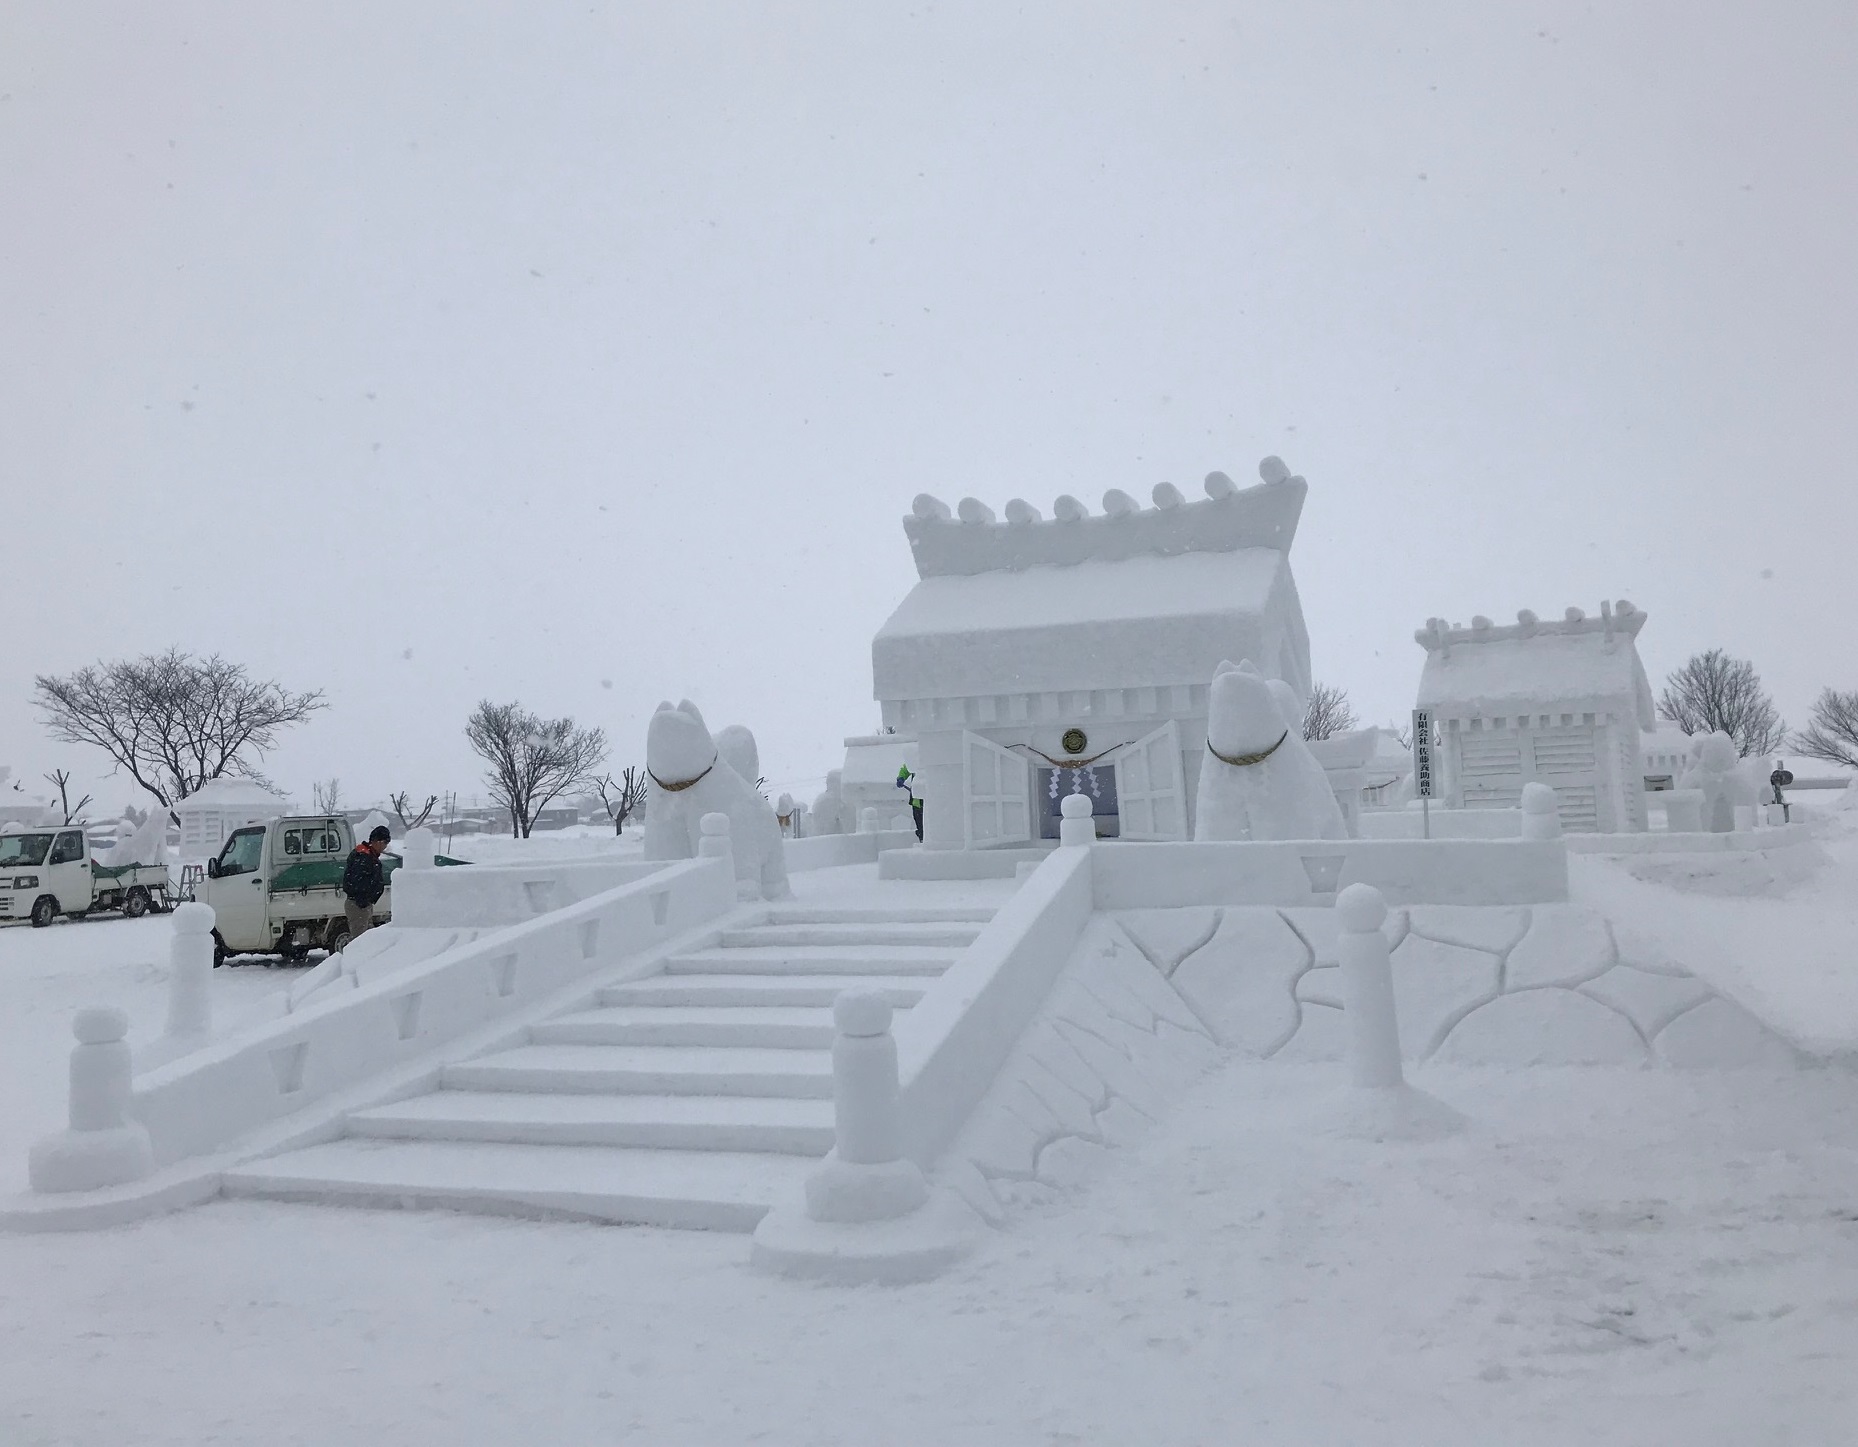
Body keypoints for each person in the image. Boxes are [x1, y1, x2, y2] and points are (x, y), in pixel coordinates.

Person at [340, 824, 391, 947]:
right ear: (377, 842)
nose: (385, 847)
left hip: (362, 904)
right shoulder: (364, 857)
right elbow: (356, 881)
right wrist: (362, 900)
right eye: (385, 843)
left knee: (367, 939)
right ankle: (355, 964)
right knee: (360, 942)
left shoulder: (367, 855)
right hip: (359, 905)